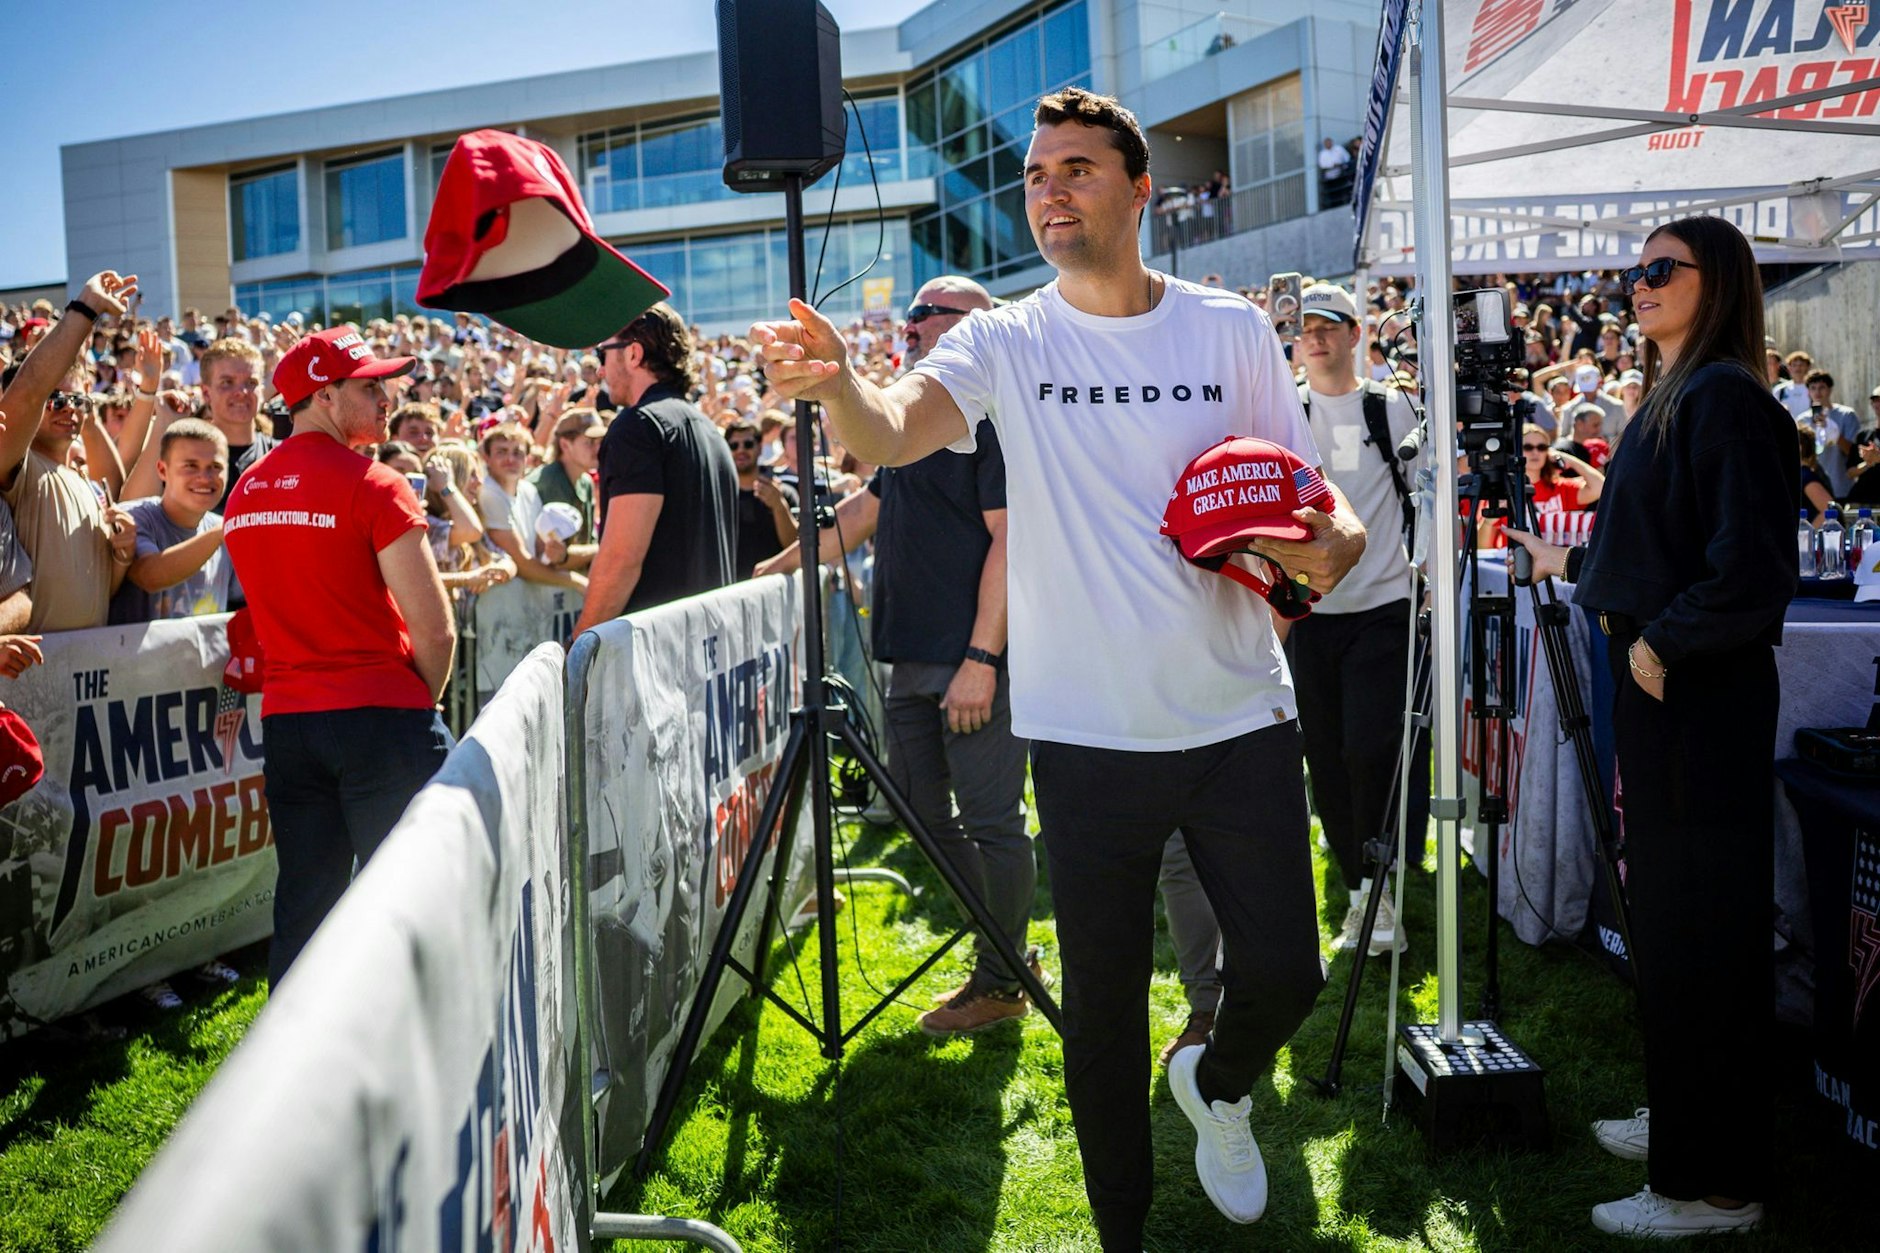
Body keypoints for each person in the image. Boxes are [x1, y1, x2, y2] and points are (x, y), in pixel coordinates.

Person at [751, 87, 1364, 1248]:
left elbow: (1303, 494)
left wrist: (1335, 541)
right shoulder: (1003, 337)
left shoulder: (1227, 326)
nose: (1047, 190)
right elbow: (885, 431)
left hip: (1235, 717)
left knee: (1284, 972)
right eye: (1035, 174)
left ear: (1141, 189)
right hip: (1085, 736)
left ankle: (1218, 1083)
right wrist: (836, 383)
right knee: (1098, 1020)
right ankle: (1120, 1230)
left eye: (1075, 168)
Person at [1506, 215, 1797, 1240]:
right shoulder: (1678, 392)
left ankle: (1710, 1184)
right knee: (1673, 927)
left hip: (1691, 692)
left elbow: (1752, 569)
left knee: (1701, 933)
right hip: (1663, 685)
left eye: (1658, 268)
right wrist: (1570, 568)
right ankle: (1684, 1117)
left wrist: (1662, 644)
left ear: (1713, 281)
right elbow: (1657, 547)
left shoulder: (1721, 396)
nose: (1636, 283)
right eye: (1631, 269)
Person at [757, 274, 1043, 1038]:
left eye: (925, 313)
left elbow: (1012, 543)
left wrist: (983, 655)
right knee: (920, 814)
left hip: (974, 659)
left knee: (992, 821)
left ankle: (1001, 975)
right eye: (910, 313)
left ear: (976, 326)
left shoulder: (993, 420)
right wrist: (777, 569)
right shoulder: (915, 419)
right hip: (909, 659)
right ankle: (1009, 958)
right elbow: (863, 512)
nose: (909, 325)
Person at [222, 326, 456, 988]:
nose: (387, 398)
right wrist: (418, 705)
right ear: (324, 395)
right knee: (413, 901)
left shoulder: (244, 492)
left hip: (293, 725)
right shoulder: (376, 483)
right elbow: (436, 630)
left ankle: (290, 1071)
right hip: (382, 717)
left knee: (307, 906)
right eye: (371, 386)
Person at [1287, 282, 1428, 956]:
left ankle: (1382, 882)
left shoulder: (1390, 406)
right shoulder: (1284, 408)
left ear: (1355, 334)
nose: (1315, 337)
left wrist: (1426, 575)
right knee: (1327, 760)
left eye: (1329, 326)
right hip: (1309, 615)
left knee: (1369, 749)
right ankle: (1358, 892)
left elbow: (1430, 493)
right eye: (1306, 328)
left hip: (1384, 605)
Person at [570, 304, 737, 635]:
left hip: (658, 654)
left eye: (603, 354)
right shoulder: (709, 430)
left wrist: (578, 647)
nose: (600, 370)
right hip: (708, 647)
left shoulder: (637, 427)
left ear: (633, 354)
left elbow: (621, 559)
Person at [0, 273, 140, 632]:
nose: (70, 409)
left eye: (78, 400)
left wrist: (122, 556)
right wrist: (84, 309)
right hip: (28, 671)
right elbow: (29, 393)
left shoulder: (84, 482)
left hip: (87, 673)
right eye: (57, 399)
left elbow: (98, 593)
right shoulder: (20, 468)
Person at [108, 419, 230, 623]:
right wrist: (223, 532)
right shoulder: (133, 518)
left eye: (215, 466)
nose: (204, 477)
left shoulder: (223, 528)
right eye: (191, 466)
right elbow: (150, 576)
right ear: (162, 470)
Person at [724, 417, 795, 580]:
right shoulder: (719, 496)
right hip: (730, 590)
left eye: (748, 444)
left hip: (774, 588)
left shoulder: (783, 493)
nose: (741, 450)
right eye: (734, 446)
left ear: (760, 447)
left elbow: (794, 545)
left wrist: (778, 506)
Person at [1800, 369, 1860, 498]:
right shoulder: (1802, 420)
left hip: (1841, 486)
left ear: (1830, 389)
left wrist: (1835, 434)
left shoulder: (1846, 415)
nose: (1817, 392)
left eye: (1822, 387)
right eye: (1813, 388)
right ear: (1808, 391)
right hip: (1812, 489)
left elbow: (1853, 453)